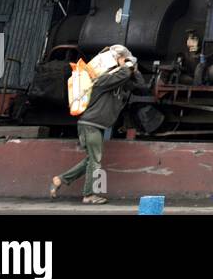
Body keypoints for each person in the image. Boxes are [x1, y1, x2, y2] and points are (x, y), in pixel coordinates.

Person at [50, 44, 145, 204]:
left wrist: (134, 69)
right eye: (122, 60)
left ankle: (60, 179)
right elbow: (122, 75)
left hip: (97, 125)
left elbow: (140, 86)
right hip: (90, 124)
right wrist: (125, 64)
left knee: (91, 159)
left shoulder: (119, 83)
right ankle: (89, 195)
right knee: (95, 160)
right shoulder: (102, 80)